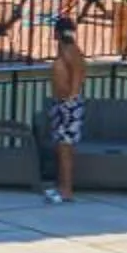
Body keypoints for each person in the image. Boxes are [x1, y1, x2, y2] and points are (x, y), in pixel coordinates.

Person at [43, 15, 88, 204]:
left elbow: (78, 76)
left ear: (57, 33)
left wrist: (69, 99)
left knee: (65, 151)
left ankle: (66, 191)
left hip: (68, 107)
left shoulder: (70, 52)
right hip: (63, 105)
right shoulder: (66, 50)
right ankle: (62, 187)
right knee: (62, 151)